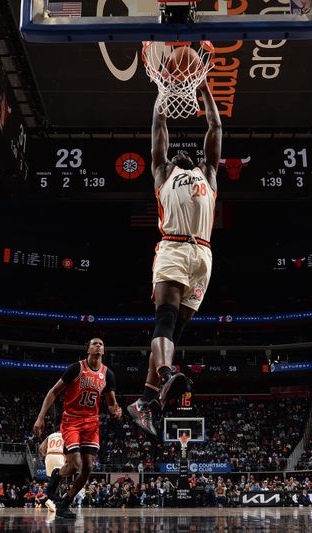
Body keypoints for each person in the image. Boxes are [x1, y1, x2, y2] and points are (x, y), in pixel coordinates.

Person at [128, 76, 222, 436]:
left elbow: (214, 125)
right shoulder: (161, 173)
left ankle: (145, 403)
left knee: (176, 330)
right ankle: (166, 375)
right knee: (164, 320)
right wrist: (163, 93)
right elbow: (158, 126)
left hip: (204, 256)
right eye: (173, 155)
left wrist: (204, 87)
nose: (179, 154)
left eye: (187, 154)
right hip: (173, 247)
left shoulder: (208, 173)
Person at [33, 338, 122, 519]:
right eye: (95, 343)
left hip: (91, 422)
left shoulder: (108, 374)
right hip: (72, 421)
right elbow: (54, 391)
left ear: (104, 351)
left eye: (102, 344)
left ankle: (65, 503)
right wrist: (40, 417)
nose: (98, 346)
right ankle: (57, 475)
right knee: (74, 465)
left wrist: (116, 410)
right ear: (88, 349)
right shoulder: (76, 368)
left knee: (88, 467)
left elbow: (112, 403)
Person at [38, 430, 65, 512]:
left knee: (52, 479)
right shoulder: (65, 435)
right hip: (59, 455)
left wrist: (46, 455)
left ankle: (51, 501)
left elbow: (41, 448)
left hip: (49, 456)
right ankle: (50, 500)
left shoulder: (50, 435)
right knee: (57, 479)